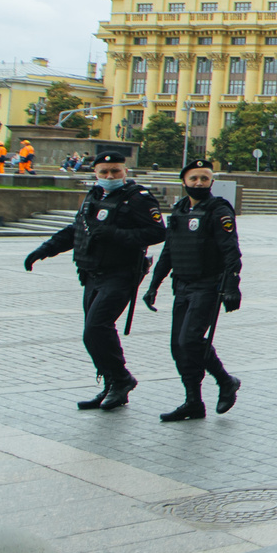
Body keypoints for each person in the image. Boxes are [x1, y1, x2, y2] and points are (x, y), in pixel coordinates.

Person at [24, 145, 167, 410]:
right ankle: (112, 385)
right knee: (95, 333)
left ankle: (122, 379)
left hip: (121, 274)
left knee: (95, 328)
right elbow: (76, 229)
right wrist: (44, 250)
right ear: (95, 172)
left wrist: (115, 234)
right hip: (91, 274)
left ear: (125, 170)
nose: (110, 176)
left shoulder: (138, 198)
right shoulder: (93, 195)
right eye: (105, 172)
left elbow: (158, 232)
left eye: (115, 171)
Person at [142, 159, 242, 423]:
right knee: (179, 346)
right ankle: (193, 402)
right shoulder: (179, 210)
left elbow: (231, 250)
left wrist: (233, 286)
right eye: (194, 178)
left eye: (204, 179)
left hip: (208, 286)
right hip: (182, 285)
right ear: (184, 181)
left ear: (211, 182)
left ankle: (225, 381)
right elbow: (169, 251)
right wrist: (154, 285)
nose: (199, 183)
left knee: (190, 341)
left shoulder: (218, 210)